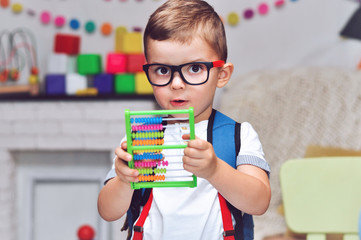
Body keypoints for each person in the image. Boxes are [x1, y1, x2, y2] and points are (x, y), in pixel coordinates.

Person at [97, 0, 271, 239]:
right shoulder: (142, 134)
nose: (176, 83)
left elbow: (259, 202)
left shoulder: (239, 135)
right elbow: (107, 211)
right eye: (162, 70)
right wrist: (124, 181)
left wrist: (215, 170)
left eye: (195, 68)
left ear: (222, 75)